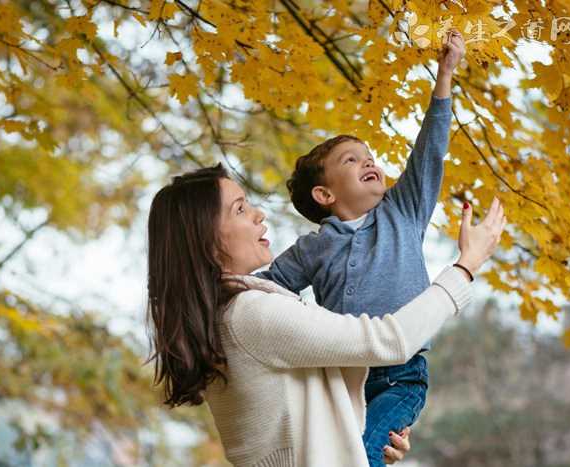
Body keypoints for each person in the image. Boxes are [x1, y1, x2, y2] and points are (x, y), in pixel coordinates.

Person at [147, 164, 505, 466]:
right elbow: (388, 340)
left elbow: (296, 428)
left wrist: (363, 439)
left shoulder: (227, 317)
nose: (259, 214)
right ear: (206, 239)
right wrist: (465, 266)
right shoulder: (251, 313)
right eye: (240, 209)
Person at [256, 30, 467, 466]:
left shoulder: (403, 212)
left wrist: (444, 76)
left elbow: (429, 153)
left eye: (368, 156)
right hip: (339, 378)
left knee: (364, 455)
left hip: (400, 375)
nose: (368, 161)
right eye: (350, 161)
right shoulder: (311, 249)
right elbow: (265, 291)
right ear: (324, 195)